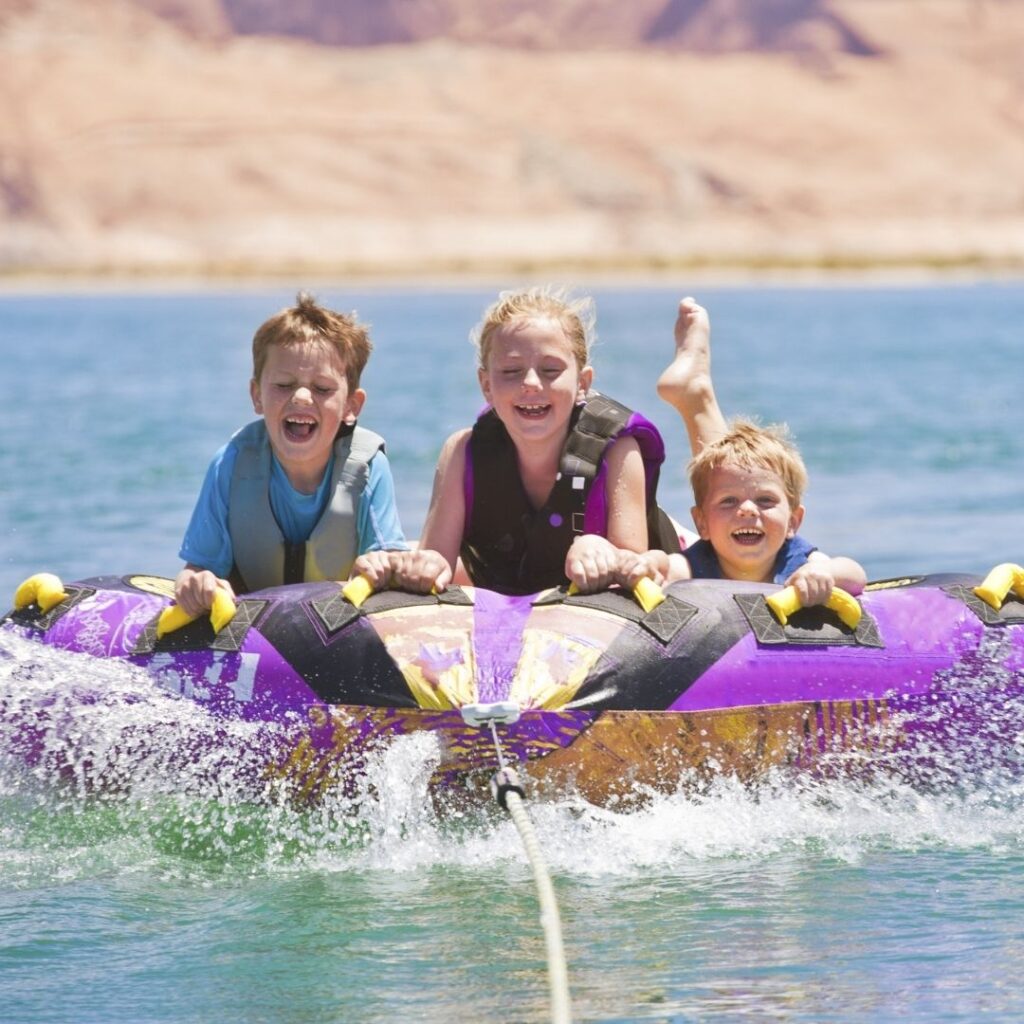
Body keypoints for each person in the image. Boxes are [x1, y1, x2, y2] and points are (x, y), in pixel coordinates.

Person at [392, 285, 680, 597]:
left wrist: (596, 548)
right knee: (411, 551)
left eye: (550, 370)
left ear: (583, 383)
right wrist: (412, 565)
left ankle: (694, 394)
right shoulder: (462, 452)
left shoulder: (618, 451)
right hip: (518, 584)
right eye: (511, 371)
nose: (530, 383)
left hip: (654, 572)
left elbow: (632, 564)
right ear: (486, 385)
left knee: (679, 565)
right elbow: (436, 560)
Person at [173, 291, 432, 616]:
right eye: (284, 384)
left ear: (352, 406)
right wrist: (196, 583)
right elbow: (196, 568)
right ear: (256, 395)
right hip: (252, 627)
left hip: (337, 624)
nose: (302, 397)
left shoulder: (368, 467)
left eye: (323, 389)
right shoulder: (231, 464)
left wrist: (381, 563)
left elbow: (388, 562)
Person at [629, 418, 866, 603]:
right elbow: (667, 568)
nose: (748, 510)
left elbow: (854, 575)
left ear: (793, 521)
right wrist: (651, 563)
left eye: (765, 500)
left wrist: (823, 573)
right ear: (702, 523)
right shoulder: (697, 564)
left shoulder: (798, 560)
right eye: (729, 501)